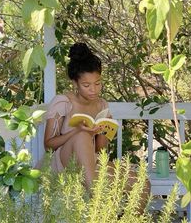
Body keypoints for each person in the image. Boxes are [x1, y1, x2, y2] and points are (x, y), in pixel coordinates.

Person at [43, 42, 150, 212]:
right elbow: (48, 144)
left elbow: (99, 150)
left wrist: (103, 132)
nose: (93, 90)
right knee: (82, 136)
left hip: (91, 162)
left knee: (140, 182)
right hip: (64, 163)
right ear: (75, 83)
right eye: (87, 85)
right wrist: (77, 130)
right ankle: (98, 201)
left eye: (98, 83)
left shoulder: (102, 105)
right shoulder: (63, 102)